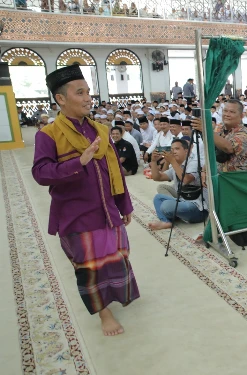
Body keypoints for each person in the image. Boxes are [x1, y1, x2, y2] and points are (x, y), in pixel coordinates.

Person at [32, 65, 139, 336]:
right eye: (80, 93)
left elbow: (115, 170)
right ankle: (103, 312)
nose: (88, 98)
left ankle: (118, 294)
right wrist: (78, 162)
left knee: (116, 257)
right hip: (76, 214)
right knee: (89, 267)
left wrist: (123, 204)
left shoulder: (101, 131)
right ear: (61, 99)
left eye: (88, 92)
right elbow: (41, 173)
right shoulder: (48, 135)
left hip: (108, 210)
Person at [148, 139, 207, 230]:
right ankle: (166, 221)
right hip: (183, 200)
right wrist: (153, 161)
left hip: (197, 207)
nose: (173, 152)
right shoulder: (177, 164)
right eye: (172, 149)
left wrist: (172, 162)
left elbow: (186, 180)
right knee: (158, 198)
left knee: (166, 205)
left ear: (186, 151)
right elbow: (157, 177)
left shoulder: (194, 162)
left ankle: (174, 212)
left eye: (177, 149)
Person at [204, 99, 247, 172]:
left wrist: (207, 130)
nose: (227, 114)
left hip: (236, 178)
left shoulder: (244, 133)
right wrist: (204, 170)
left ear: (241, 116)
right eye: (225, 111)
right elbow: (211, 152)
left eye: (232, 112)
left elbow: (229, 148)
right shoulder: (219, 128)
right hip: (218, 176)